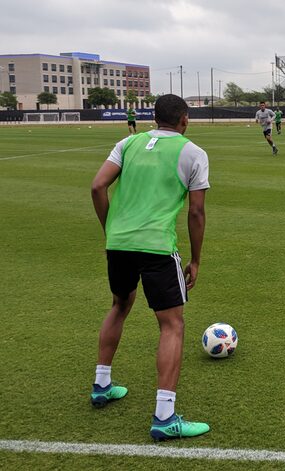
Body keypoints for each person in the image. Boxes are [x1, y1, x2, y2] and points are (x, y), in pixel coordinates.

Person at [89, 94, 211, 442]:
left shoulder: (128, 142)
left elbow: (98, 185)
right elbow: (196, 212)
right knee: (172, 324)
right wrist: (197, 259)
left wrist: (109, 229)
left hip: (119, 243)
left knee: (119, 305)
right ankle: (164, 416)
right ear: (184, 119)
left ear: (153, 118)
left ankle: (101, 385)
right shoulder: (192, 152)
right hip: (156, 247)